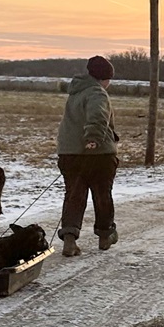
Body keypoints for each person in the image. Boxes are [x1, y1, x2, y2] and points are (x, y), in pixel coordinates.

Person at [55, 55, 120, 257]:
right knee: (102, 195)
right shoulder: (97, 93)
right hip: (97, 154)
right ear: (104, 78)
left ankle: (69, 239)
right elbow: (98, 116)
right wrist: (93, 138)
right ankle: (105, 235)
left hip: (69, 153)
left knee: (74, 196)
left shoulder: (75, 93)